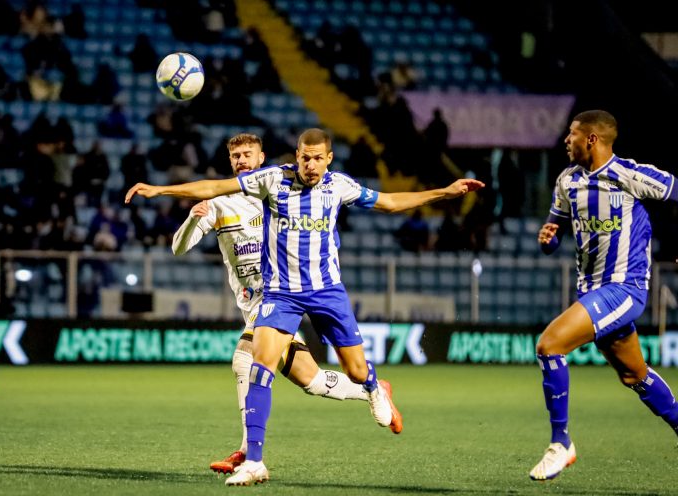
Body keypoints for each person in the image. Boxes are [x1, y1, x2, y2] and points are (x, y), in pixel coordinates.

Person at [126, 128, 484, 486]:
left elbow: (389, 202)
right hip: (280, 295)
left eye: (318, 159)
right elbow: (211, 188)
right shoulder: (272, 181)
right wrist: (159, 190)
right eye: (304, 158)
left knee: (350, 371)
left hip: (326, 292)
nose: (310, 165)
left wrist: (445, 193)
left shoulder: (338, 186)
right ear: (295, 156)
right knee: (256, 365)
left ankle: (373, 387)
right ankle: (253, 459)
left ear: (328, 159)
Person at [171, 133, 376, 474]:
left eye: (247, 154)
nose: (241, 160)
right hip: (253, 305)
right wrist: (195, 216)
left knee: (243, 359)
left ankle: (247, 452)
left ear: (261, 157)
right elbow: (178, 248)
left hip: (281, 297)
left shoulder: (274, 191)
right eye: (235, 155)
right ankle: (372, 389)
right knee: (311, 381)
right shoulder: (220, 203)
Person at [531, 110, 678, 481]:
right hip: (592, 290)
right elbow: (557, 228)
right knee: (634, 375)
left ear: (591, 139)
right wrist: (550, 238)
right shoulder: (567, 180)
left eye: (572, 134)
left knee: (550, 346)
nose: (566, 140)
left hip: (625, 288)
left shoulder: (629, 174)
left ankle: (560, 443)